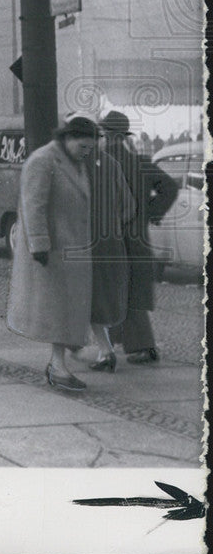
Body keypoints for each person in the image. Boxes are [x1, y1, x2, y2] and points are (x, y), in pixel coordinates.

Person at [5, 115, 99, 393]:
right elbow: (33, 205)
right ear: (67, 138)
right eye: (83, 147)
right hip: (54, 250)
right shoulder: (43, 160)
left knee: (67, 309)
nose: (87, 153)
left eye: (90, 148)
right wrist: (39, 245)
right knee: (59, 310)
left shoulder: (74, 162)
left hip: (73, 248)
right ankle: (58, 367)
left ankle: (60, 362)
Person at [99, 110, 178, 365]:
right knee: (133, 290)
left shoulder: (99, 162)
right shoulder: (141, 162)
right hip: (137, 238)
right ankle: (133, 344)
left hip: (108, 239)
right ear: (124, 135)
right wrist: (152, 212)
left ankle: (136, 346)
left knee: (109, 291)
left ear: (106, 134)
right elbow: (171, 187)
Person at [85, 141, 135, 372]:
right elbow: (129, 207)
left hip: (85, 243)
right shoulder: (112, 164)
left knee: (87, 298)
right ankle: (105, 350)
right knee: (101, 298)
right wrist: (113, 224)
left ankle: (103, 350)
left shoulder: (76, 166)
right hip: (111, 242)